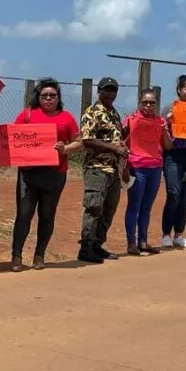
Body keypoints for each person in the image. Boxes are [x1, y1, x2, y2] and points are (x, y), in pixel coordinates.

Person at [10, 78, 81, 271]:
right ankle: (16, 256)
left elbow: (78, 141)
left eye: (52, 95)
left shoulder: (67, 118)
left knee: (47, 215)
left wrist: (65, 148)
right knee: (24, 214)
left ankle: (39, 255)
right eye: (44, 95)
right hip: (28, 174)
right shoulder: (27, 115)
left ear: (58, 98)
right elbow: (14, 139)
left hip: (55, 173)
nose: (48, 99)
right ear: (38, 97)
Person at [78, 77, 127, 263]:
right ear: (99, 91)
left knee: (108, 209)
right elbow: (88, 140)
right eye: (106, 90)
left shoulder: (114, 114)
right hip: (96, 168)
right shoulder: (92, 112)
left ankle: (97, 245)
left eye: (113, 90)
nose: (109, 93)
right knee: (93, 208)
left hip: (114, 169)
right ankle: (86, 247)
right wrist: (114, 148)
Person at [122, 89, 172, 256]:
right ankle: (131, 243)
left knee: (146, 207)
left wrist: (165, 131)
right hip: (136, 167)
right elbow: (121, 142)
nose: (148, 105)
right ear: (139, 103)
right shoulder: (130, 119)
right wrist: (124, 166)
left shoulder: (160, 122)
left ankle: (143, 241)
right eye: (145, 102)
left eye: (152, 102)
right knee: (134, 206)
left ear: (156, 104)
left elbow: (168, 146)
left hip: (155, 167)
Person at [161, 75, 186, 250]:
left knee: (185, 198)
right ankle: (165, 234)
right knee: (174, 194)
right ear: (179, 90)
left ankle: (179, 234)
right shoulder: (170, 108)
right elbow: (159, 131)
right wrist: (167, 121)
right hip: (174, 156)